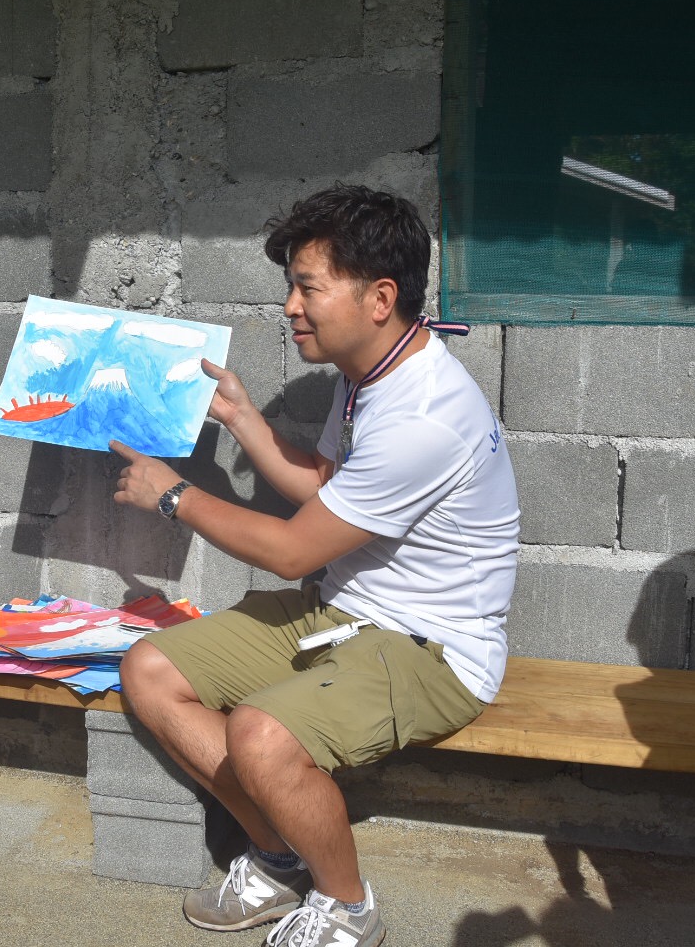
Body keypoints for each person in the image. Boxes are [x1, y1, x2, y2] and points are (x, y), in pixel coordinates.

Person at [112, 185, 519, 947]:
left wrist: (176, 498)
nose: (291, 307)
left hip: (433, 645)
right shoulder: (371, 370)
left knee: (261, 735)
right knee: (150, 671)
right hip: (345, 608)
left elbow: (295, 545)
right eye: (290, 287)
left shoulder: (425, 414)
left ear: (380, 297)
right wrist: (243, 420)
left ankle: (348, 906)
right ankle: (276, 856)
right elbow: (331, 489)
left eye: (307, 287)